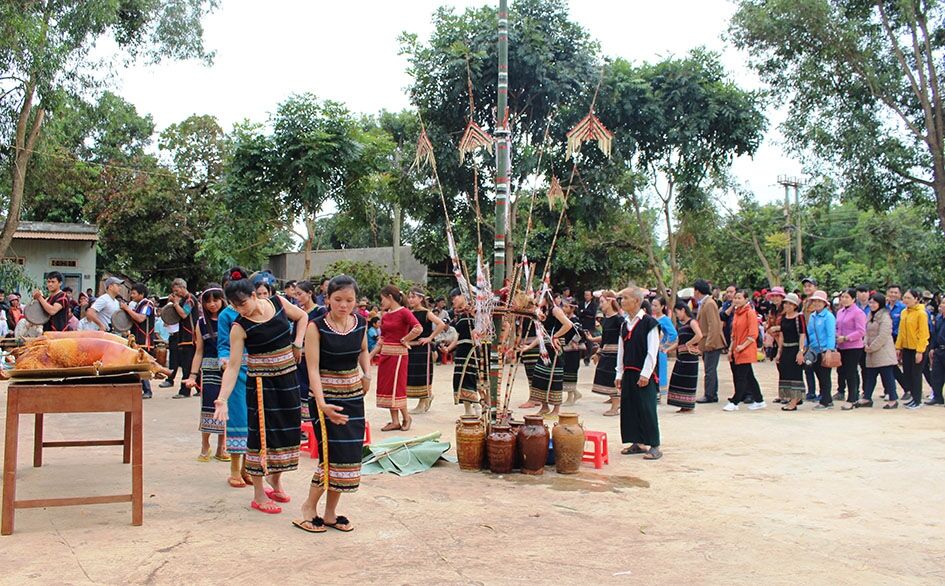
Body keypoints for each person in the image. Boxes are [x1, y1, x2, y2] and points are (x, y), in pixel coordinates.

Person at [212, 267, 309, 514]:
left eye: (243, 303)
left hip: (288, 379)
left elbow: (302, 317)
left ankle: (275, 482)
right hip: (260, 385)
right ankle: (257, 494)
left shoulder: (278, 303)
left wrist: (298, 343)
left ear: (255, 295)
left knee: (287, 432)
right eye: (235, 306)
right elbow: (233, 367)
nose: (241, 309)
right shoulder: (239, 327)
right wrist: (221, 399)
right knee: (260, 438)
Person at [294, 275, 371, 534]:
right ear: (327, 299)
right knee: (330, 456)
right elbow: (312, 369)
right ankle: (308, 507)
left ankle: (330, 512)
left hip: (353, 397)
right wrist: (322, 403)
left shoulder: (360, 322)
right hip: (325, 397)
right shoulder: (316, 327)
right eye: (338, 299)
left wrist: (367, 374)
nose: (343, 305)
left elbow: (362, 350)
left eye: (349, 300)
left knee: (348, 458)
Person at [615, 287, 662, 460]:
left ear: (636, 301)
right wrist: (618, 374)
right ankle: (637, 442)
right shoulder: (624, 324)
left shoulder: (649, 323)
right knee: (630, 407)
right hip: (628, 371)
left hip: (643, 373)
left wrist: (646, 373)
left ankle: (654, 444)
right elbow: (621, 351)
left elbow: (652, 351)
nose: (622, 301)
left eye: (625, 298)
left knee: (646, 407)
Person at [184, 286, 228, 461]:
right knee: (209, 407)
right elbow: (199, 351)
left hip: (228, 368)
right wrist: (193, 375)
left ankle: (221, 447)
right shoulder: (201, 323)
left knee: (226, 407)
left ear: (223, 300)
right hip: (209, 368)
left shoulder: (231, 319)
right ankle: (205, 446)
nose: (212, 304)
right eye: (208, 301)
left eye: (215, 300)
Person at [370, 285, 422, 431]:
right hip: (386, 355)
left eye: (382, 299)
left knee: (396, 387)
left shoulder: (404, 312)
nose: (381, 303)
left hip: (399, 355)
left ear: (390, 297)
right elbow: (382, 338)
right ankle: (394, 421)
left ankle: (406, 417)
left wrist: (405, 339)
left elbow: (418, 328)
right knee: (387, 388)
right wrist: (371, 355)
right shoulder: (385, 316)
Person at [217, 269, 251, 488]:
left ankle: (249, 469)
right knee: (239, 418)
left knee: (256, 421)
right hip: (237, 372)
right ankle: (234, 470)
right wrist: (223, 360)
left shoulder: (256, 311)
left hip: (259, 371)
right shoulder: (226, 315)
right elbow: (223, 345)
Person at [522, 291, 574, 418]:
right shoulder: (543, 312)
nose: (537, 299)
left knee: (555, 376)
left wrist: (555, 336)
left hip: (554, 348)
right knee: (540, 375)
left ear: (546, 298)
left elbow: (569, 325)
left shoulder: (555, 310)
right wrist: (529, 346)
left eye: (540, 297)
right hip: (545, 348)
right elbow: (543, 334)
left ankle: (556, 409)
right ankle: (544, 407)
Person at [405, 288, 446, 414]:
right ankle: (427, 397)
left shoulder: (426, 313)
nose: (410, 299)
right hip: (411, 347)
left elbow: (441, 324)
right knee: (413, 375)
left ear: (421, 299)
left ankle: (422, 403)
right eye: (409, 297)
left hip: (423, 348)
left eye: (413, 297)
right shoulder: (409, 313)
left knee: (423, 375)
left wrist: (430, 338)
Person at [724, 290, 765, 411]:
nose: (736, 300)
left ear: (746, 299)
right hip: (737, 349)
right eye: (735, 298)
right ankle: (759, 400)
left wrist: (743, 346)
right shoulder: (737, 313)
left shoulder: (750, 313)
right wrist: (731, 349)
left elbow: (753, 334)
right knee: (749, 377)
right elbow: (734, 334)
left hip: (746, 349)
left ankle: (735, 401)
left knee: (741, 376)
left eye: (739, 298)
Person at [444, 289, 480, 416]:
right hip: (461, 349)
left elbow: (484, 328)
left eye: (455, 297)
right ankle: (467, 411)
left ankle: (478, 407)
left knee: (471, 377)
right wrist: (448, 349)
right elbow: (458, 337)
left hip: (472, 348)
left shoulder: (476, 310)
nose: (453, 300)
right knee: (460, 379)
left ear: (463, 296)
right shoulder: (459, 315)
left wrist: (475, 317)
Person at [859, 293, 899, 409]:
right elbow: (866, 331)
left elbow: (884, 335)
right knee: (870, 375)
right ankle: (867, 397)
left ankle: (893, 399)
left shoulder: (885, 316)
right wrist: (865, 343)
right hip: (871, 351)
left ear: (880, 303)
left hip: (883, 351)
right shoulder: (870, 315)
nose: (872, 305)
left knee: (887, 376)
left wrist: (872, 347)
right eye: (870, 302)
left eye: (874, 302)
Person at [294, 281, 326, 423]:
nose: (297, 297)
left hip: (313, 357)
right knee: (300, 389)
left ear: (309, 293)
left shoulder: (320, 311)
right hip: (299, 358)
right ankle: (304, 424)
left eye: (300, 294)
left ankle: (313, 422)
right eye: (295, 294)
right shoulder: (298, 313)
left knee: (312, 388)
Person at [120, 284, 156, 399]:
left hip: (144, 339)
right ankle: (142, 389)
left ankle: (147, 390)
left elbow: (141, 318)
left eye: (134, 293)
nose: (131, 295)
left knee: (142, 365)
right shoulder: (138, 305)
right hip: (137, 338)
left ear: (142, 294)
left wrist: (127, 309)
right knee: (137, 364)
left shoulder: (147, 304)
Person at [896, 289, 930, 409]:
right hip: (907, 348)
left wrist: (920, 351)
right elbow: (901, 332)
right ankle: (912, 398)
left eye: (909, 298)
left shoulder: (921, 313)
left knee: (916, 374)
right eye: (904, 297)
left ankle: (917, 400)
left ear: (916, 299)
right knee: (908, 374)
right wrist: (898, 347)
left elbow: (923, 334)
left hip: (917, 348)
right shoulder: (904, 312)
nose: (906, 300)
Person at [591, 291, 623, 416]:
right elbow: (604, 339)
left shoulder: (619, 320)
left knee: (613, 378)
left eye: (603, 302)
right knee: (607, 377)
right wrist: (598, 353)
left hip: (616, 353)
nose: (601, 305)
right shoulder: (606, 320)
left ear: (610, 302)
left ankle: (615, 406)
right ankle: (614, 403)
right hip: (607, 352)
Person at [667, 301, 703, 413]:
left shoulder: (692, 322)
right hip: (681, 357)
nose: (677, 315)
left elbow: (699, 335)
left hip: (690, 358)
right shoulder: (681, 325)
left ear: (683, 310)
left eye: (677, 312)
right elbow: (679, 342)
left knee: (688, 381)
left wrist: (689, 344)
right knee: (679, 379)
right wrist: (668, 349)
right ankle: (683, 404)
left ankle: (688, 405)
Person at [693, 279, 725, 404]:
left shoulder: (709, 303)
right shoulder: (704, 303)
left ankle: (709, 394)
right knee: (710, 369)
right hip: (706, 342)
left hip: (712, 343)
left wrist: (710, 343)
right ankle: (712, 393)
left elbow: (714, 325)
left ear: (697, 291)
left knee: (709, 370)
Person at [774, 293, 807, 411]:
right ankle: (790, 398)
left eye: (790, 304)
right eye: (786, 303)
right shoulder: (783, 318)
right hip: (786, 348)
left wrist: (801, 351)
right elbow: (782, 335)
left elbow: (802, 334)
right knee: (785, 372)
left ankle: (794, 400)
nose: (787, 305)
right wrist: (779, 351)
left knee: (795, 375)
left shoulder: (799, 317)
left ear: (795, 305)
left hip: (795, 348)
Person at [836, 288, 868, 410]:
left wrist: (846, 338)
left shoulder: (858, 313)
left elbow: (861, 331)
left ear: (853, 299)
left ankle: (852, 398)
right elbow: (838, 326)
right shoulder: (840, 312)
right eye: (842, 297)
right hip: (841, 346)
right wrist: (837, 336)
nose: (844, 299)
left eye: (847, 297)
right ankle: (850, 394)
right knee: (843, 371)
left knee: (851, 372)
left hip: (854, 347)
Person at [805, 290, 837, 410]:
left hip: (824, 350)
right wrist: (804, 347)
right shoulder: (813, 316)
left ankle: (825, 401)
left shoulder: (828, 316)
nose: (817, 303)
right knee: (818, 374)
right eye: (815, 301)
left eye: (820, 301)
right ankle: (826, 399)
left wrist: (829, 350)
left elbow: (830, 334)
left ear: (825, 303)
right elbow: (809, 333)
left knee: (824, 376)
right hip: (813, 351)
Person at [168, 278, 198, 399]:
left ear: (182, 288)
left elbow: (184, 314)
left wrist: (175, 303)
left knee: (187, 364)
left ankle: (184, 391)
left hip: (190, 336)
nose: (175, 293)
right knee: (191, 364)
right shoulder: (183, 300)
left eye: (176, 290)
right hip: (184, 335)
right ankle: (199, 388)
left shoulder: (189, 299)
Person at [650, 297, 677, 402]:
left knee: (660, 371)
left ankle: (659, 394)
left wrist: (665, 346)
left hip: (660, 351)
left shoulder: (665, 319)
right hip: (652, 349)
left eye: (656, 305)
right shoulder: (652, 318)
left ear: (662, 307)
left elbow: (673, 334)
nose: (653, 307)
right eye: (652, 305)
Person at [801, 277, 820, 401]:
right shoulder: (805, 302)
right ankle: (811, 391)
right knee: (808, 366)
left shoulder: (819, 302)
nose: (807, 288)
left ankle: (823, 393)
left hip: (817, 340)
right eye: (805, 286)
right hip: (807, 338)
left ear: (815, 288)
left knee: (819, 368)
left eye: (810, 286)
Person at [925, 297, 945, 406]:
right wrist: (932, 348)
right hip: (939, 350)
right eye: (942, 303)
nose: (942, 305)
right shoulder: (938, 318)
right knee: (936, 375)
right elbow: (934, 335)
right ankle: (937, 397)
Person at [579, 290, 599, 366]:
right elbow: (579, 313)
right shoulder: (581, 303)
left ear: (591, 296)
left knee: (589, 342)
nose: (586, 296)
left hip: (590, 325)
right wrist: (585, 312)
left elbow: (592, 313)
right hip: (582, 324)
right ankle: (581, 356)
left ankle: (587, 358)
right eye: (585, 295)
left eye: (588, 295)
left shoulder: (594, 304)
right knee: (580, 340)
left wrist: (584, 311)